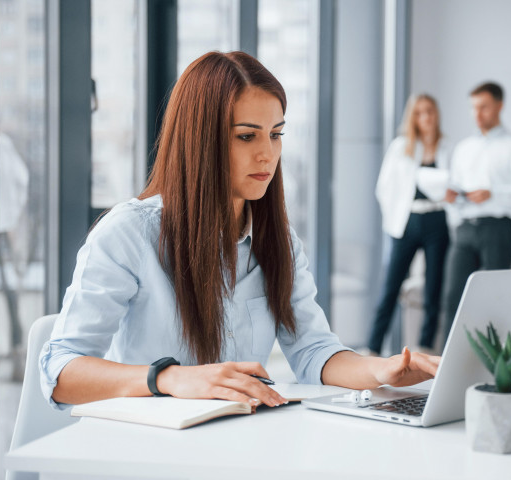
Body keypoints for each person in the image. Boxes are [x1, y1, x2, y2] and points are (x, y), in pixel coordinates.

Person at [39, 51, 439, 409]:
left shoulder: (279, 241)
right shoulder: (128, 233)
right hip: (151, 452)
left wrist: (381, 371)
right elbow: (60, 372)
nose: (268, 153)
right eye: (247, 136)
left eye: (276, 134)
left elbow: (313, 350)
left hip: (238, 445)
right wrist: (170, 378)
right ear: (200, 140)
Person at [441, 82, 511, 335]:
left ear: (499, 106)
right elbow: (455, 186)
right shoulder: (463, 148)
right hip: (464, 229)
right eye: (474, 108)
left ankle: (493, 367)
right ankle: (446, 368)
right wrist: (452, 199)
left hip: (498, 229)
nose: (478, 114)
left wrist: (493, 194)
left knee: (495, 300)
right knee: (454, 297)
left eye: (484, 107)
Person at [368, 94, 451, 356]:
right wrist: (392, 219)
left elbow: (455, 184)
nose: (425, 117)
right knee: (391, 287)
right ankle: (373, 347)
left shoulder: (446, 147)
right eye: (420, 112)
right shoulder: (400, 146)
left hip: (437, 220)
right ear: (412, 117)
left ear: (436, 114)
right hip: (407, 222)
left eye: (430, 111)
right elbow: (383, 188)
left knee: (433, 288)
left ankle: (425, 347)